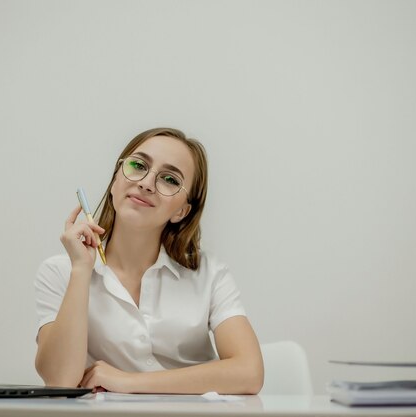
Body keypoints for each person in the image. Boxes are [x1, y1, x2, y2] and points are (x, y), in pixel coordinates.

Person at [34, 127, 263, 394]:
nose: (145, 183)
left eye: (169, 179)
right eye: (138, 165)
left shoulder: (209, 273)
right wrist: (81, 271)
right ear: (115, 182)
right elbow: (59, 381)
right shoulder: (60, 272)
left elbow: (249, 373)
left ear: (181, 211)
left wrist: (128, 382)